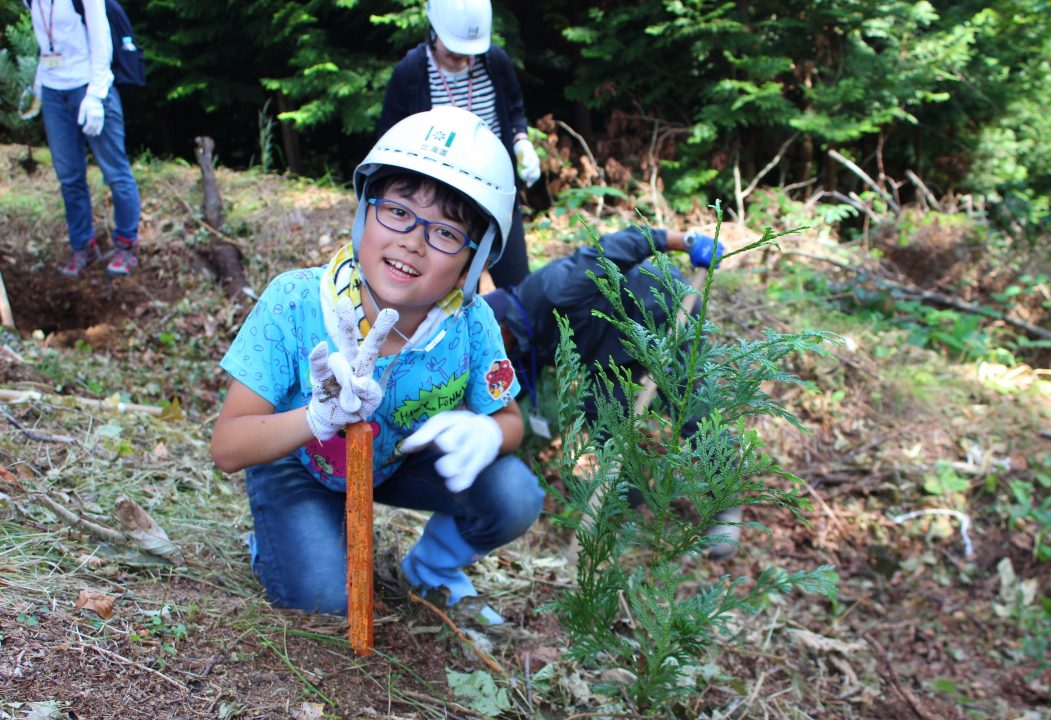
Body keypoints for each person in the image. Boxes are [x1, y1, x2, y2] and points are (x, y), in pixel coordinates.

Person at [210, 106, 544, 618]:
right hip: (301, 463)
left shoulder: (470, 325)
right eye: (398, 211)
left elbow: (511, 422)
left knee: (514, 492)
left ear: (472, 264)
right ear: (365, 211)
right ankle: (279, 540)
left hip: (398, 462)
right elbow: (228, 447)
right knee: (323, 601)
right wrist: (316, 418)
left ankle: (431, 569)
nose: (412, 240)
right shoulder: (295, 302)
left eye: (447, 233)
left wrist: (489, 434)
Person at [483, 224, 744, 559]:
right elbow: (507, 397)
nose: (489, 357)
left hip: (660, 307)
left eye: (488, 346)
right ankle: (625, 498)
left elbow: (622, 244)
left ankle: (727, 509)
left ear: (500, 326)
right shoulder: (522, 337)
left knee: (689, 406)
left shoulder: (554, 290)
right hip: (609, 346)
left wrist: (685, 241)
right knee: (603, 414)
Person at [377, 0, 540, 290]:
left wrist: (521, 141)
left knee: (518, 284)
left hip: (497, 194)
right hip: (445, 205)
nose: (463, 59)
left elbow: (514, 107)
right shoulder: (411, 72)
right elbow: (390, 136)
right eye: (455, 51)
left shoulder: (495, 62)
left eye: (470, 52)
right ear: (434, 31)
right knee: (458, 288)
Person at [25, 0, 142, 277]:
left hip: (88, 87)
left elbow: (102, 40)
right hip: (54, 91)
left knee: (115, 172)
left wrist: (96, 95)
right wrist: (39, 88)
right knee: (69, 176)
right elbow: (47, 41)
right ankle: (83, 247)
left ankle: (127, 245)